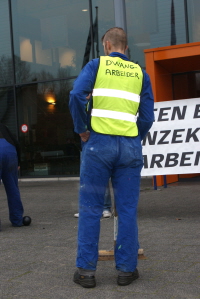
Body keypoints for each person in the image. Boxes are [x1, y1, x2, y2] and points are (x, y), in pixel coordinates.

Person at [69, 27, 154, 288]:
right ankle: (127, 270)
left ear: (106, 45)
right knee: (126, 210)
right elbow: (148, 117)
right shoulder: (141, 73)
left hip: (98, 147)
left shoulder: (97, 66)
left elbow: (76, 95)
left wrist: (82, 129)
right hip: (128, 148)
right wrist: (131, 136)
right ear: (125, 48)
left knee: (92, 208)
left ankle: (86, 272)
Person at [0, 123, 31, 227]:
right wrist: (18, 163)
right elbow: (17, 143)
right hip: (10, 151)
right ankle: (17, 219)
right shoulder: (4, 126)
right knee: (12, 188)